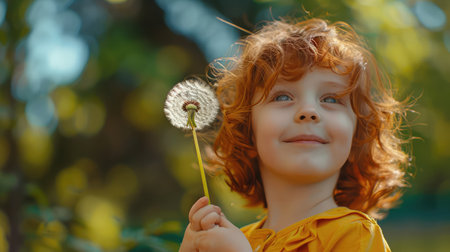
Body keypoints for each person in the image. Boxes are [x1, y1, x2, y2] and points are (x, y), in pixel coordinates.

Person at [179, 17, 412, 252]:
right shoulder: (235, 241)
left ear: (356, 139)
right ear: (247, 132)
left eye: (331, 99)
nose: (309, 111)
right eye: (282, 97)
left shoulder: (356, 235)